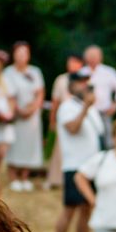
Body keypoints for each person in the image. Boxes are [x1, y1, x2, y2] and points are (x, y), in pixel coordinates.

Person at [53, 68, 104, 232]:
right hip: (74, 166)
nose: (85, 86)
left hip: (92, 167)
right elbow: (73, 128)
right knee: (69, 209)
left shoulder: (92, 110)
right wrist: (85, 108)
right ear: (71, 86)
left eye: (86, 82)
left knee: (86, 209)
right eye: (80, 82)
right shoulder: (67, 106)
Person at [4, 41, 45, 192]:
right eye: (18, 53)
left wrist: (32, 108)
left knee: (30, 144)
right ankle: (13, 177)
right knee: (15, 144)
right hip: (15, 114)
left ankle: (25, 177)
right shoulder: (8, 72)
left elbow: (40, 92)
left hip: (32, 115)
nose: (21, 56)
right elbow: (8, 94)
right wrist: (19, 110)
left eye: (24, 53)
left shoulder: (35, 71)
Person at [46, 53, 84, 190]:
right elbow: (55, 101)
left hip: (80, 117)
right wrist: (52, 119)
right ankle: (56, 179)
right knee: (59, 149)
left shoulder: (85, 79)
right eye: (70, 61)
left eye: (75, 62)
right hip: (64, 117)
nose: (72, 64)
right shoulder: (61, 80)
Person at [84, 45, 116, 147]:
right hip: (87, 113)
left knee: (107, 140)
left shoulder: (108, 72)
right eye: (91, 56)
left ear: (100, 57)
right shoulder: (82, 73)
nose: (93, 58)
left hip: (105, 112)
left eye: (95, 56)